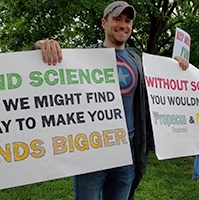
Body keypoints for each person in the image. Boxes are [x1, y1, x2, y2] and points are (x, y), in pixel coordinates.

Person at [32, 1, 189, 199]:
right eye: (117, 19)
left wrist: (176, 67)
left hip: (128, 155)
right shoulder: (83, 57)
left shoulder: (137, 59)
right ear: (104, 23)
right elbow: (40, 72)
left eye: (128, 20)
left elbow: (163, 83)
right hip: (91, 156)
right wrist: (40, 46)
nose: (123, 25)